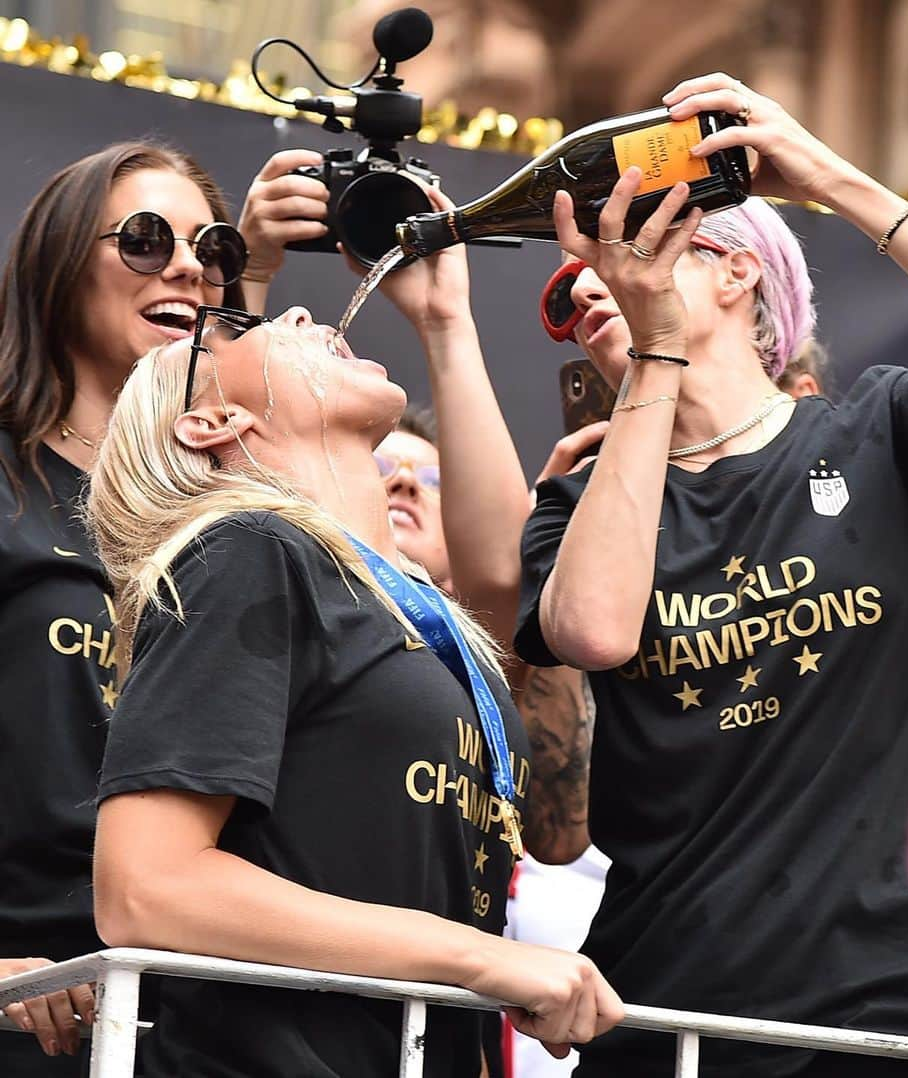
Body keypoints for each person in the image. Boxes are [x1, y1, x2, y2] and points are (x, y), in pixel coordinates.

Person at [513, 70, 908, 1077]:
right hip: (663, 1021)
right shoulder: (577, 500)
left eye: (649, 238)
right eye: (589, 266)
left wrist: (825, 176)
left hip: (877, 1022)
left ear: (739, 276)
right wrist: (657, 353)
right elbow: (595, 631)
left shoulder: (884, 431)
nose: (606, 272)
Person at [84, 305, 622, 1077]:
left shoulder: (416, 617)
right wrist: (478, 959)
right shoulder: (248, 551)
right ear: (212, 422)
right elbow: (144, 888)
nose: (298, 311)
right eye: (235, 329)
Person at [0, 141, 250, 1073]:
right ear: (61, 267)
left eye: (214, 247)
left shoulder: (242, 510)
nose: (189, 265)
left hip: (211, 1021)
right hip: (33, 1011)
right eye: (146, 240)